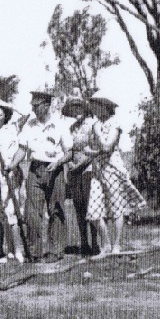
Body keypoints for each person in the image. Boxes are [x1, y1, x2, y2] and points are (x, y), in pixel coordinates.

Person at [9, 90, 73, 263]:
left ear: (47, 105)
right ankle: (34, 252)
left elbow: (69, 153)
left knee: (56, 210)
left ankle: (55, 251)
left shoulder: (60, 125)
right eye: (33, 106)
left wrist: (59, 162)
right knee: (31, 213)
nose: (34, 109)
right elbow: (22, 150)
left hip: (55, 171)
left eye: (36, 106)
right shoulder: (29, 125)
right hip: (35, 170)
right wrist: (12, 165)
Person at [83, 96, 147, 255]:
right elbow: (85, 147)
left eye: (96, 106)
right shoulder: (95, 124)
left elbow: (107, 146)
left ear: (105, 107)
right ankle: (105, 244)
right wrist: (91, 149)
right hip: (98, 169)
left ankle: (116, 246)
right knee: (93, 211)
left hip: (112, 169)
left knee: (116, 207)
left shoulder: (115, 123)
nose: (94, 109)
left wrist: (96, 135)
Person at [0, 99, 26, 264]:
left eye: (0, 115)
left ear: (5, 115)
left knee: (11, 210)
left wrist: (10, 105)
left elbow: (26, 115)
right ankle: (9, 249)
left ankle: (19, 250)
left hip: (9, 170)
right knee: (1, 211)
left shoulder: (12, 128)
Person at [61, 98, 100, 256]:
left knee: (91, 206)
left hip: (89, 169)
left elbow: (94, 150)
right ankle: (84, 242)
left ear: (84, 109)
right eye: (73, 109)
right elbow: (68, 151)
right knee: (79, 208)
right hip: (74, 172)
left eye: (79, 108)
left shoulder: (92, 125)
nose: (76, 111)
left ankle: (95, 242)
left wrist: (78, 165)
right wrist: (69, 165)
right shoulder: (71, 128)